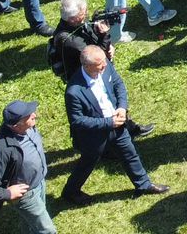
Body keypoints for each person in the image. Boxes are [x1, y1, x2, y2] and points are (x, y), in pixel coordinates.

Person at [62, 44, 168, 202]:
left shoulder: (106, 66)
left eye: (104, 61)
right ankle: (70, 192)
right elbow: (77, 121)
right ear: (87, 66)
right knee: (87, 163)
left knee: (130, 154)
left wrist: (122, 107)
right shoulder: (74, 91)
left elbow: (118, 84)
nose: (105, 65)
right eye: (99, 65)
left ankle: (143, 185)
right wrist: (108, 122)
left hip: (117, 125)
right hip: (94, 135)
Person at [0, 100, 53, 234]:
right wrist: (8, 193)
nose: (34, 115)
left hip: (39, 182)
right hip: (26, 194)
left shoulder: (28, 127)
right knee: (47, 230)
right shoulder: (1, 149)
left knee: (30, 224)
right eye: (29, 116)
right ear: (16, 125)